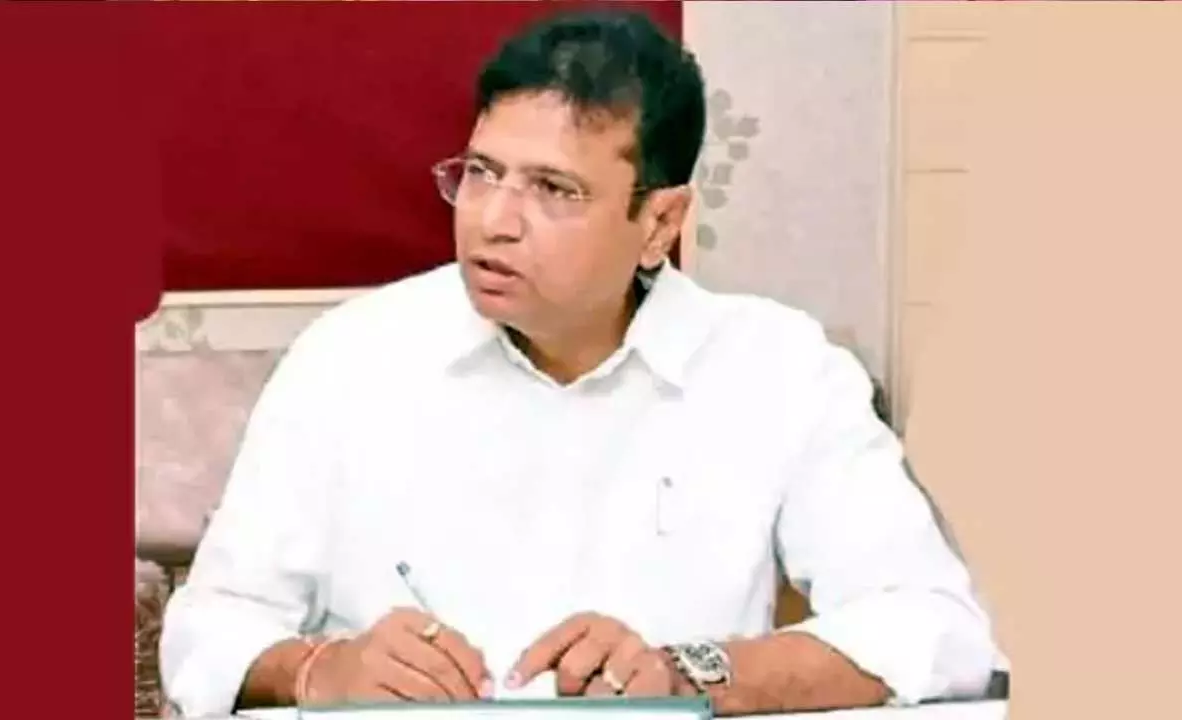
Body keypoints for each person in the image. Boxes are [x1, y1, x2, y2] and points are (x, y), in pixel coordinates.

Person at [159, 8, 1002, 718]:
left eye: (553, 190)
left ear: (660, 222)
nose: (494, 220)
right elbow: (207, 628)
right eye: (482, 173)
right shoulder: (351, 356)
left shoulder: (777, 369)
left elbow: (937, 625)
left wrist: (691, 672)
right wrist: (317, 670)